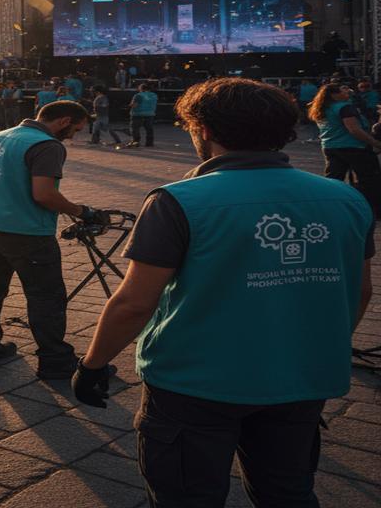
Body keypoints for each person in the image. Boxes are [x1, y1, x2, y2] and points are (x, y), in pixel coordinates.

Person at [73, 78, 373, 507]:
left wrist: (93, 364)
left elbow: (134, 303)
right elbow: (360, 291)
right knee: (288, 493)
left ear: (204, 130)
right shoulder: (346, 199)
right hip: (301, 378)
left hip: (194, 382)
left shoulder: (177, 201)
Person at [0, 100, 105, 377]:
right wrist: (82, 211)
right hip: (23, 230)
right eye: (75, 129)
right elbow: (44, 194)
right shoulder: (47, 145)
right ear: (63, 121)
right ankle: (55, 361)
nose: (73, 136)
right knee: (45, 295)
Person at [310, 81, 381, 216]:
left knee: (334, 179)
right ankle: (371, 209)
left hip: (330, 147)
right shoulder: (344, 108)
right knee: (369, 179)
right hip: (353, 147)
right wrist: (375, 143)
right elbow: (354, 130)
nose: (347, 92)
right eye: (343, 91)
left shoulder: (321, 109)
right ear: (334, 95)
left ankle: (329, 207)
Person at [127, 82, 158, 148]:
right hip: (150, 114)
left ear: (141, 88)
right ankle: (149, 143)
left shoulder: (139, 95)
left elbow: (135, 105)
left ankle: (136, 142)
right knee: (149, 129)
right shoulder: (154, 95)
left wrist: (130, 105)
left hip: (137, 114)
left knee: (135, 129)